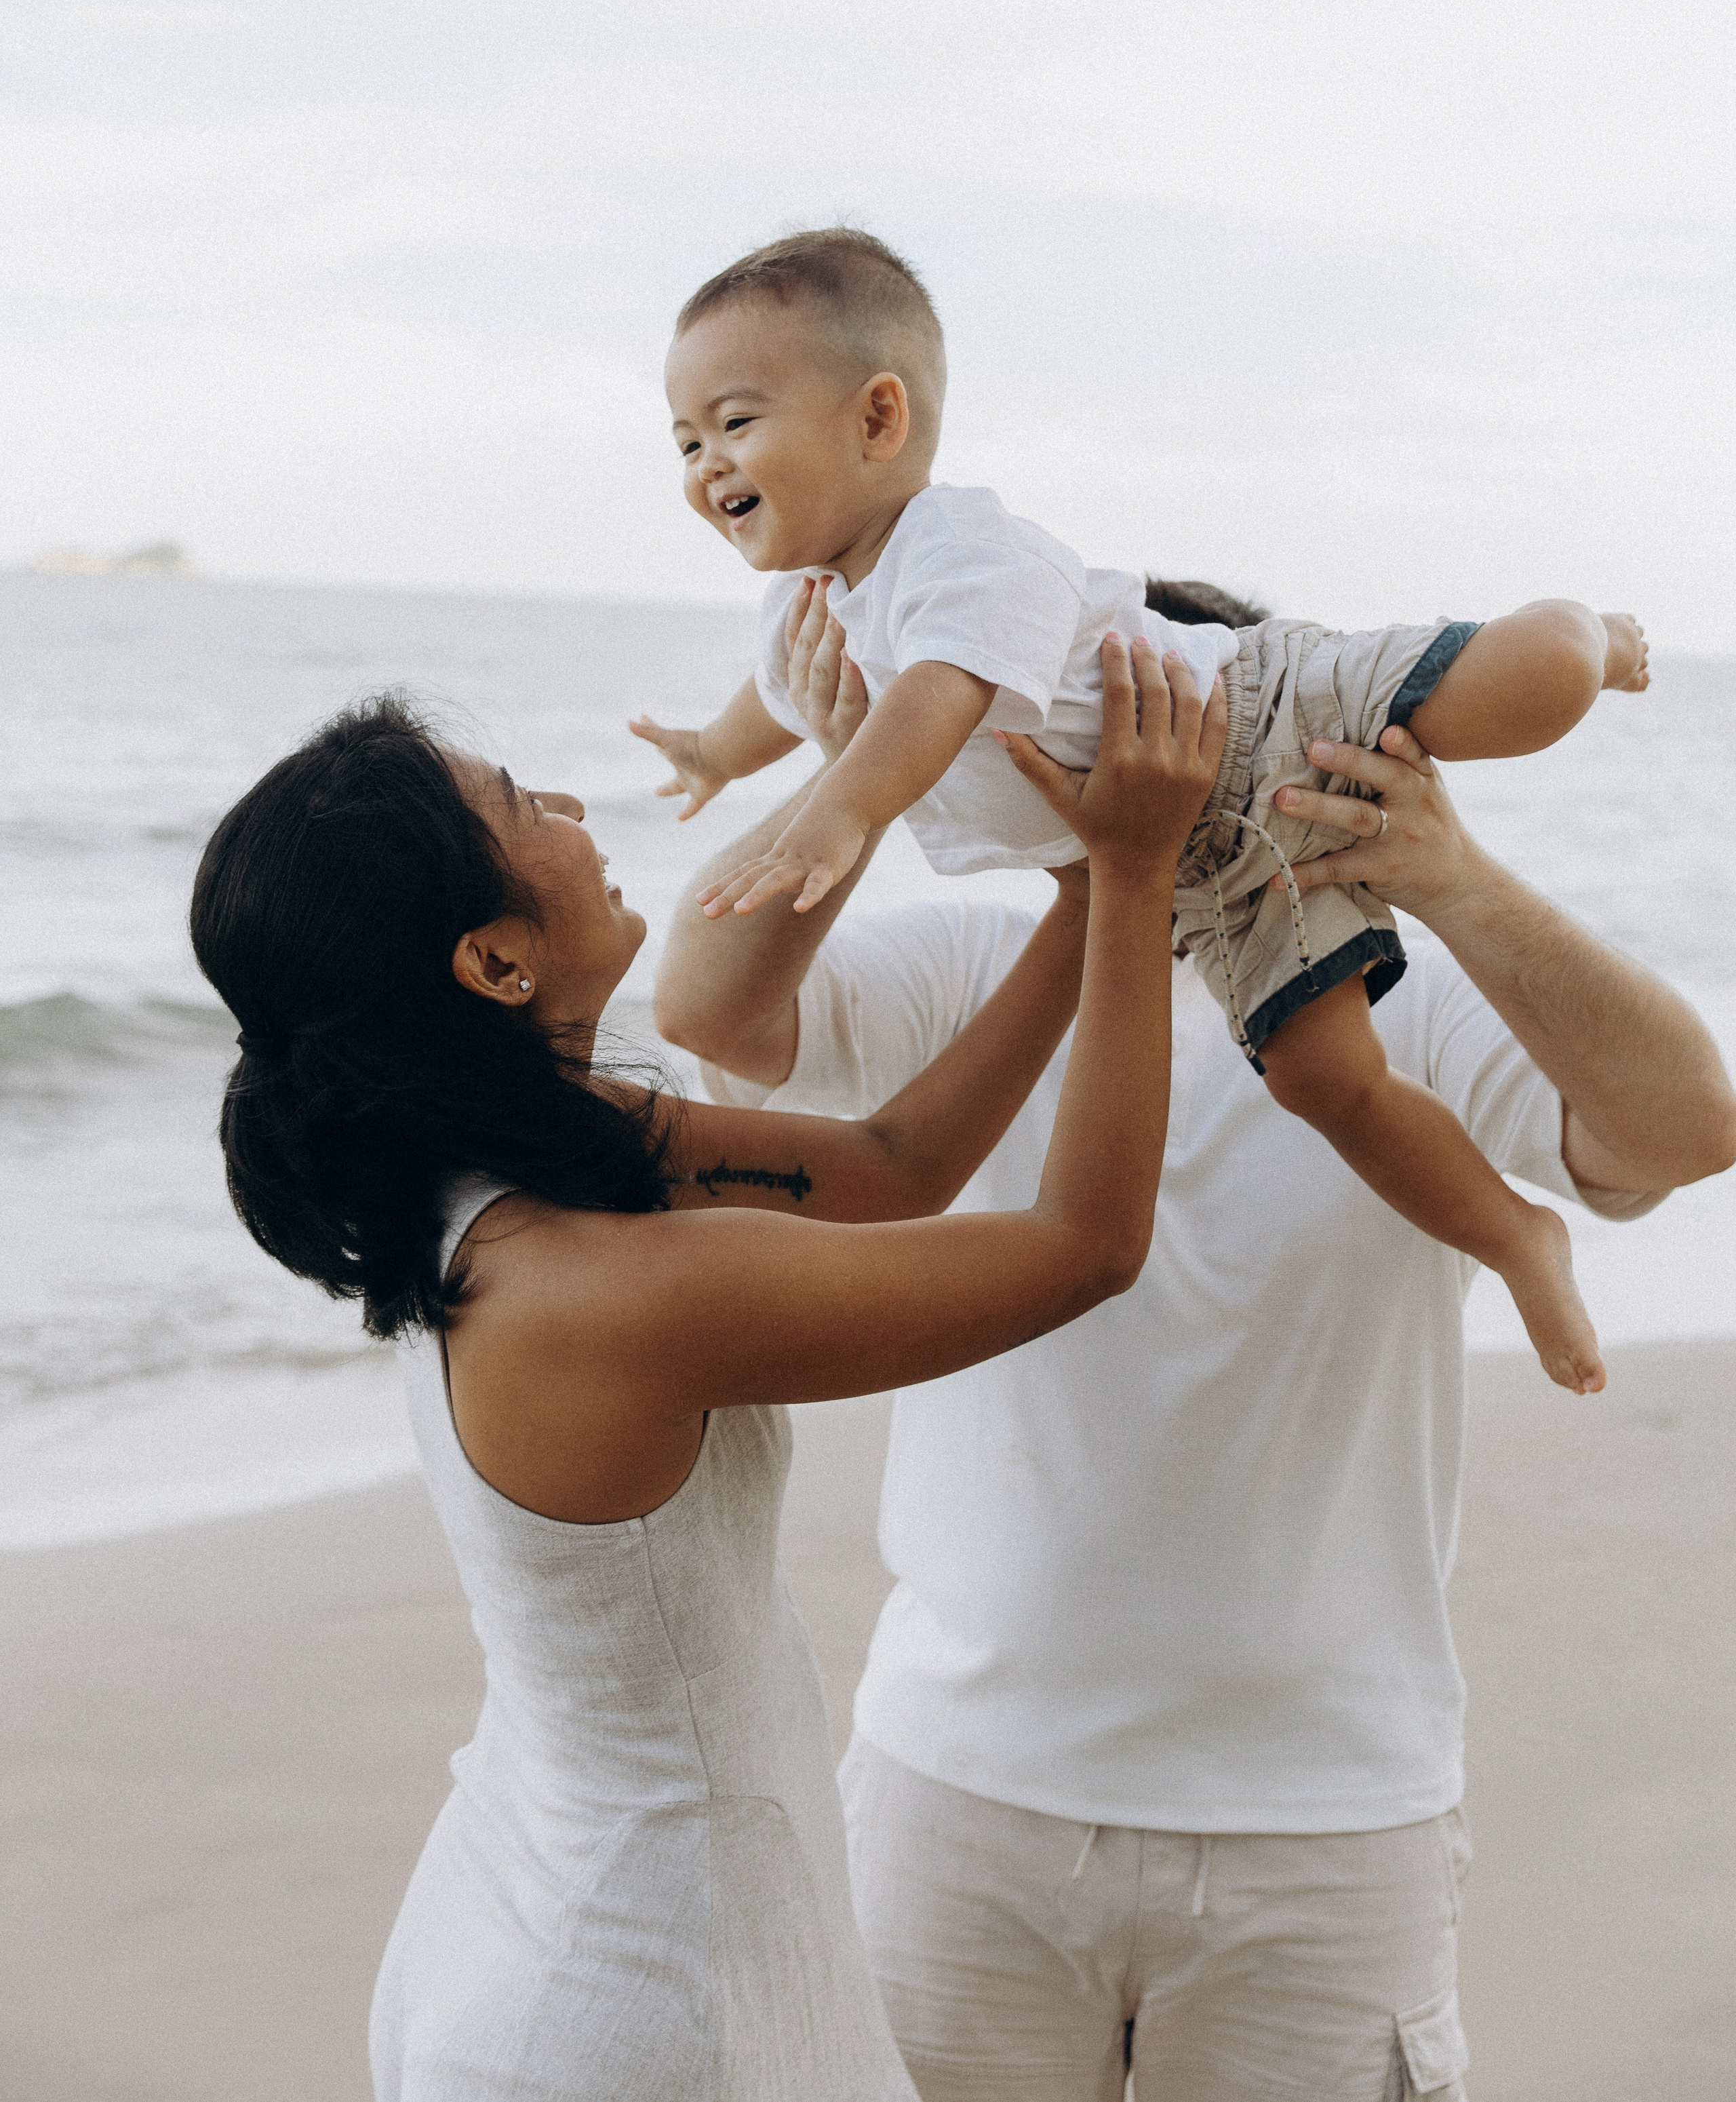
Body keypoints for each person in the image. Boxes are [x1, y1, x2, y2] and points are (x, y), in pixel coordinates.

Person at [652, 581, 1736, 2102]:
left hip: (1324, 1822)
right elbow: (707, 1007)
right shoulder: (977, 960)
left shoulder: (1380, 1005)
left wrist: (1453, 879)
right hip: (962, 1796)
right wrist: (848, 777)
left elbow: (1686, 1127)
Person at [186, 650, 1221, 2102]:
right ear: (490, 960)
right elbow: (1082, 1247)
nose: (563, 799)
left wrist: (1076, 892)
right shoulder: (594, 1291)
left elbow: (896, 1170)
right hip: (645, 1994)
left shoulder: (509, 1149)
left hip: (535, 1896)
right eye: (516, 804)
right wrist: (1133, 876)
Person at [633, 225, 1652, 1399]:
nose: (708, 460)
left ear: (877, 420)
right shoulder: (809, 608)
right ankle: (1518, 1236)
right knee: (1327, 1082)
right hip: (1221, 869)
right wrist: (714, 753)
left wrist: (845, 809)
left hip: (1255, 716)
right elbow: (776, 702)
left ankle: (1596, 632)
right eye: (686, 439)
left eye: (735, 421)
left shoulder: (959, 550)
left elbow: (937, 692)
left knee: (1525, 687)